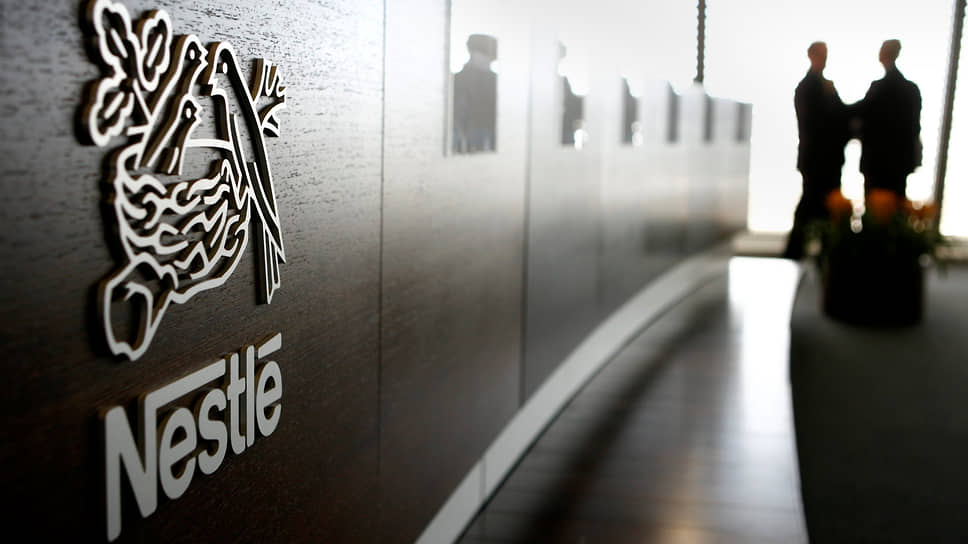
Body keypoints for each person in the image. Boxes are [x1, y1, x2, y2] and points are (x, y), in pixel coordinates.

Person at [783, 41, 849, 260]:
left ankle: (819, 253)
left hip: (826, 160)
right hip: (817, 160)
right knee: (812, 205)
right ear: (811, 56)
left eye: (826, 54)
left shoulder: (823, 85)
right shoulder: (808, 87)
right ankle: (798, 252)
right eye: (821, 54)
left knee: (822, 208)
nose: (825, 58)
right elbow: (819, 123)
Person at [853, 39, 921, 198]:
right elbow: (914, 128)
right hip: (899, 162)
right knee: (895, 206)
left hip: (876, 162)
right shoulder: (911, 90)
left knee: (875, 208)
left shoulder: (879, 89)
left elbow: (859, 113)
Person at [452, 34, 498, 153]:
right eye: (485, 55)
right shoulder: (457, 80)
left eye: (492, 57)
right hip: (464, 140)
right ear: (472, 52)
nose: (489, 60)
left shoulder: (496, 81)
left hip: (490, 141)